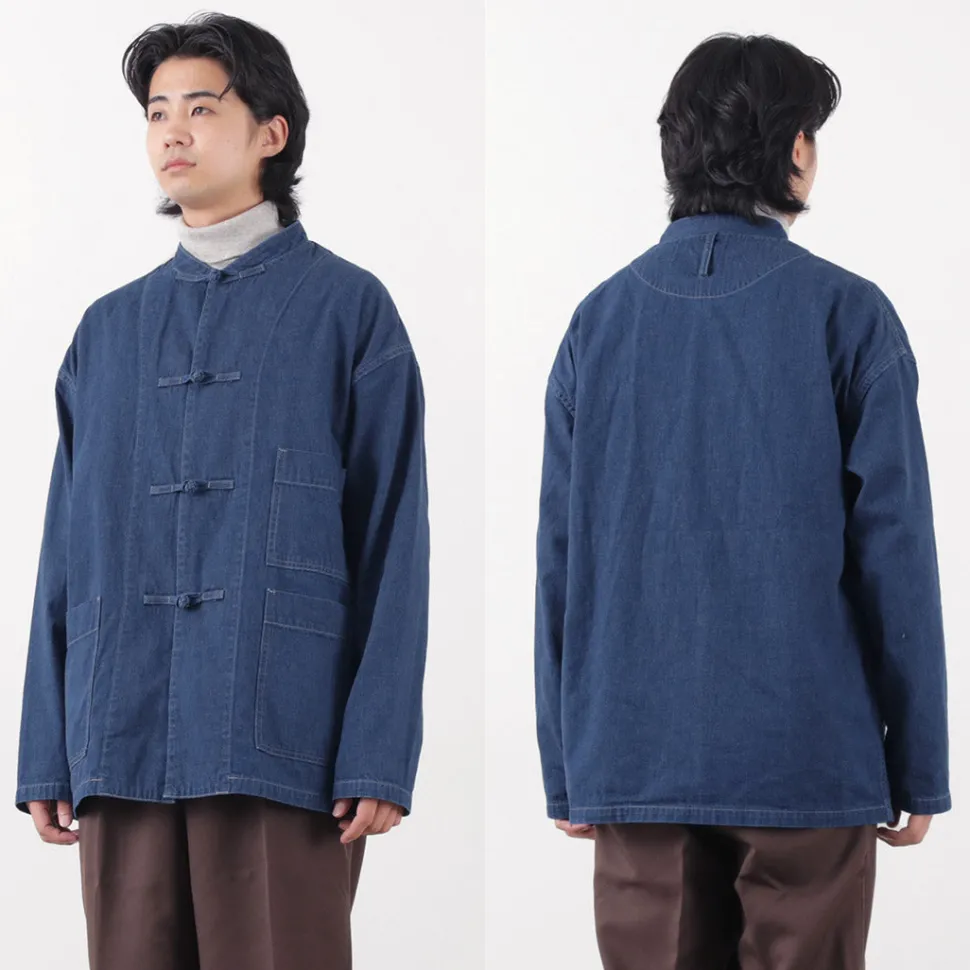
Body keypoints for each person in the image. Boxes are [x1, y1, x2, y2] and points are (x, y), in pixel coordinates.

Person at [14, 12, 430, 969]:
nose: (173, 131)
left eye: (201, 108)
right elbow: (63, 552)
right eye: (158, 112)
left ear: (271, 132)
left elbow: (393, 543)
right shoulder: (106, 331)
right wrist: (45, 747)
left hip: (283, 737)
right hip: (120, 732)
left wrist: (377, 750)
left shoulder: (350, 311)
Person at [532, 32, 950, 970]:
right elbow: (897, 554)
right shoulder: (849, 315)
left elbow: (562, 558)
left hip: (633, 753)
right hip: (808, 757)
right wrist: (918, 761)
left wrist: (568, 764)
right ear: (795, 148)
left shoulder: (597, 324)